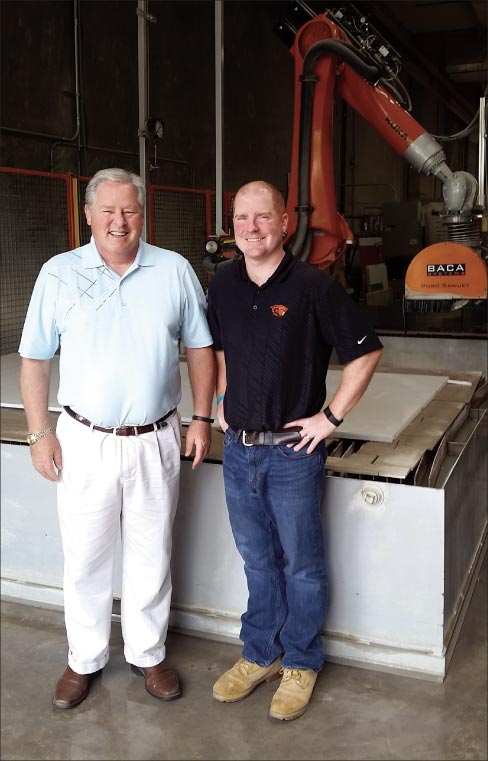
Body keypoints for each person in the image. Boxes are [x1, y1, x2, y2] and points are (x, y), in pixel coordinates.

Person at [19, 167, 216, 709]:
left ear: (142, 213)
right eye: (107, 210)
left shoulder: (173, 270)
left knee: (152, 553)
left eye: (128, 210)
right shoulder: (59, 273)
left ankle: (147, 654)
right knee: (84, 557)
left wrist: (202, 417)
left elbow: (200, 347)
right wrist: (39, 433)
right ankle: (84, 659)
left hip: (156, 437)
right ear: (88, 215)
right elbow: (34, 357)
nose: (118, 221)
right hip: (84, 439)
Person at [206, 180, 383, 721]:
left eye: (263, 217)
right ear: (231, 225)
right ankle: (260, 651)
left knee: (301, 564)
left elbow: (366, 352)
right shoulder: (224, 284)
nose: (251, 228)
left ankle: (301, 661)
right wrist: (219, 397)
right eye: (241, 218)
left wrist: (330, 419)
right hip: (238, 452)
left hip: (291, 456)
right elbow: (217, 348)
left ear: (285, 223)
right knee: (257, 559)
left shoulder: (313, 286)